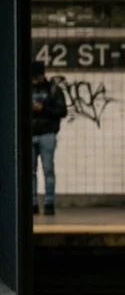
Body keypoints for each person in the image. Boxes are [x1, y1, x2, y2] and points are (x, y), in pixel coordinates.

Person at [31, 61, 68, 215]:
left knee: (48, 170)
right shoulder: (23, 89)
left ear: (43, 75)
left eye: (37, 77)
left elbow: (62, 111)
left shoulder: (53, 90)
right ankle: (32, 203)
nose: (34, 80)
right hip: (30, 133)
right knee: (30, 172)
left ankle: (49, 203)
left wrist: (43, 108)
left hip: (47, 134)